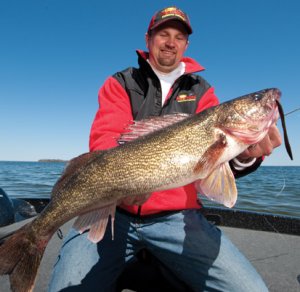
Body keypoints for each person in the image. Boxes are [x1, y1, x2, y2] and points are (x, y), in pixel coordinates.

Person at [49, 6, 281, 291]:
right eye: (163, 34)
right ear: (149, 39)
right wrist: (127, 182)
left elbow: (215, 168)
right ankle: (33, 238)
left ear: (186, 44)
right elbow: (105, 143)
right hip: (111, 213)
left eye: (179, 36)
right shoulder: (121, 82)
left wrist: (246, 155)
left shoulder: (202, 91)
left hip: (179, 218)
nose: (171, 42)